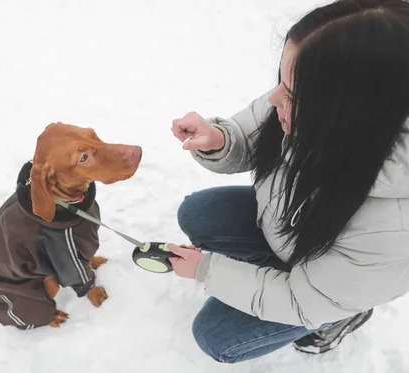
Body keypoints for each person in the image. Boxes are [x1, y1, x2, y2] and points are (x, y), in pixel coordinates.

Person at [167, 0, 409, 363]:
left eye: (291, 94)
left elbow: (300, 301)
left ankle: (342, 315)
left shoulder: (393, 229)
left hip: (325, 284)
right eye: (281, 81)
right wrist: (220, 138)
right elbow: (255, 132)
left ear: (355, 112)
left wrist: (208, 270)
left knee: (217, 337)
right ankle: (279, 268)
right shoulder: (321, 100)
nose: (274, 98)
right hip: (293, 228)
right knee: (199, 213)